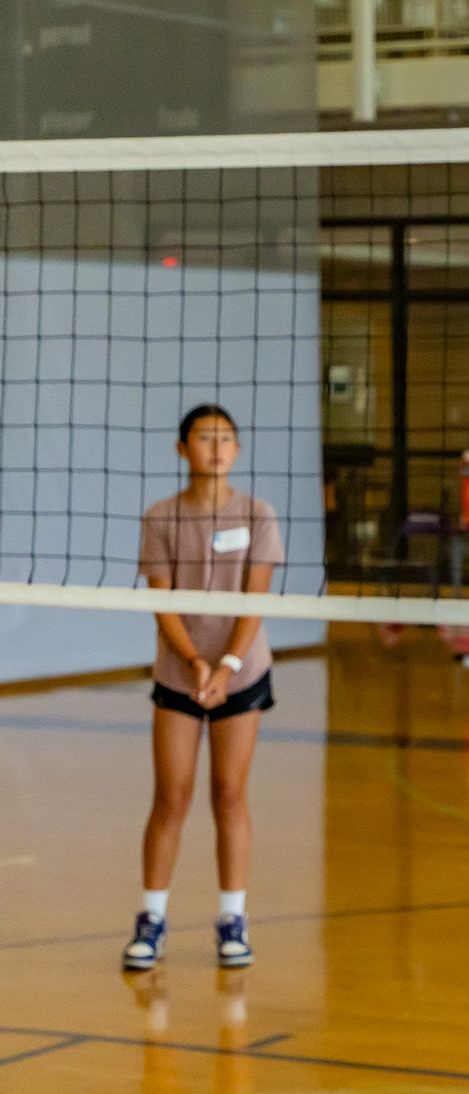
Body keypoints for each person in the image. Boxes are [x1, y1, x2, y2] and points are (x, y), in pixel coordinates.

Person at [123, 405, 284, 972]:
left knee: (229, 794)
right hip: (179, 671)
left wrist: (228, 664)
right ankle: (151, 919)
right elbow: (161, 599)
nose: (216, 448)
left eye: (226, 439)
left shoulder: (257, 513)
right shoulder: (161, 516)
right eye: (204, 438)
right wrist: (194, 661)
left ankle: (232, 919)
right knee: (171, 797)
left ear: (237, 450)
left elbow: (255, 598)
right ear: (181, 448)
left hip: (241, 670)